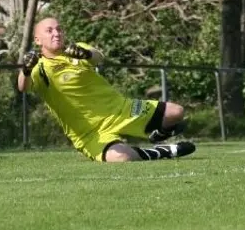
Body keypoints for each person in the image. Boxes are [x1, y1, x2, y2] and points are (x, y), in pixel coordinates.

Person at [17, 17, 196, 162]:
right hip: (89, 133)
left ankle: (157, 135)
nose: (56, 33)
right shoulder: (38, 68)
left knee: (176, 112)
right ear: (37, 40)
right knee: (121, 157)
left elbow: (98, 57)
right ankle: (160, 152)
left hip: (120, 109)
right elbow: (23, 87)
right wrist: (25, 70)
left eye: (59, 29)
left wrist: (85, 53)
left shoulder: (76, 50)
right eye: (50, 31)